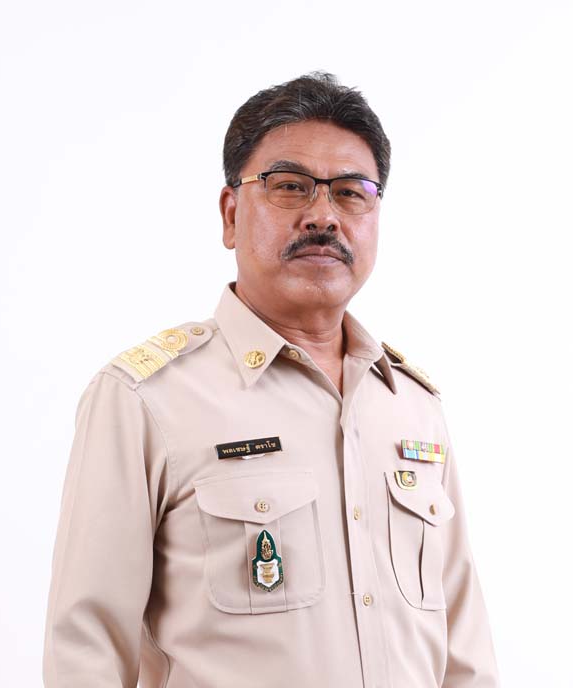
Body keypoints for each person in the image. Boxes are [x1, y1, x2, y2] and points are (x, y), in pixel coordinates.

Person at [42, 70, 500, 688]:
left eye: (351, 192)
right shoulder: (146, 400)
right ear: (231, 214)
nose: (324, 216)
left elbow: (465, 650)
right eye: (289, 186)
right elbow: (86, 651)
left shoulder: (412, 406)